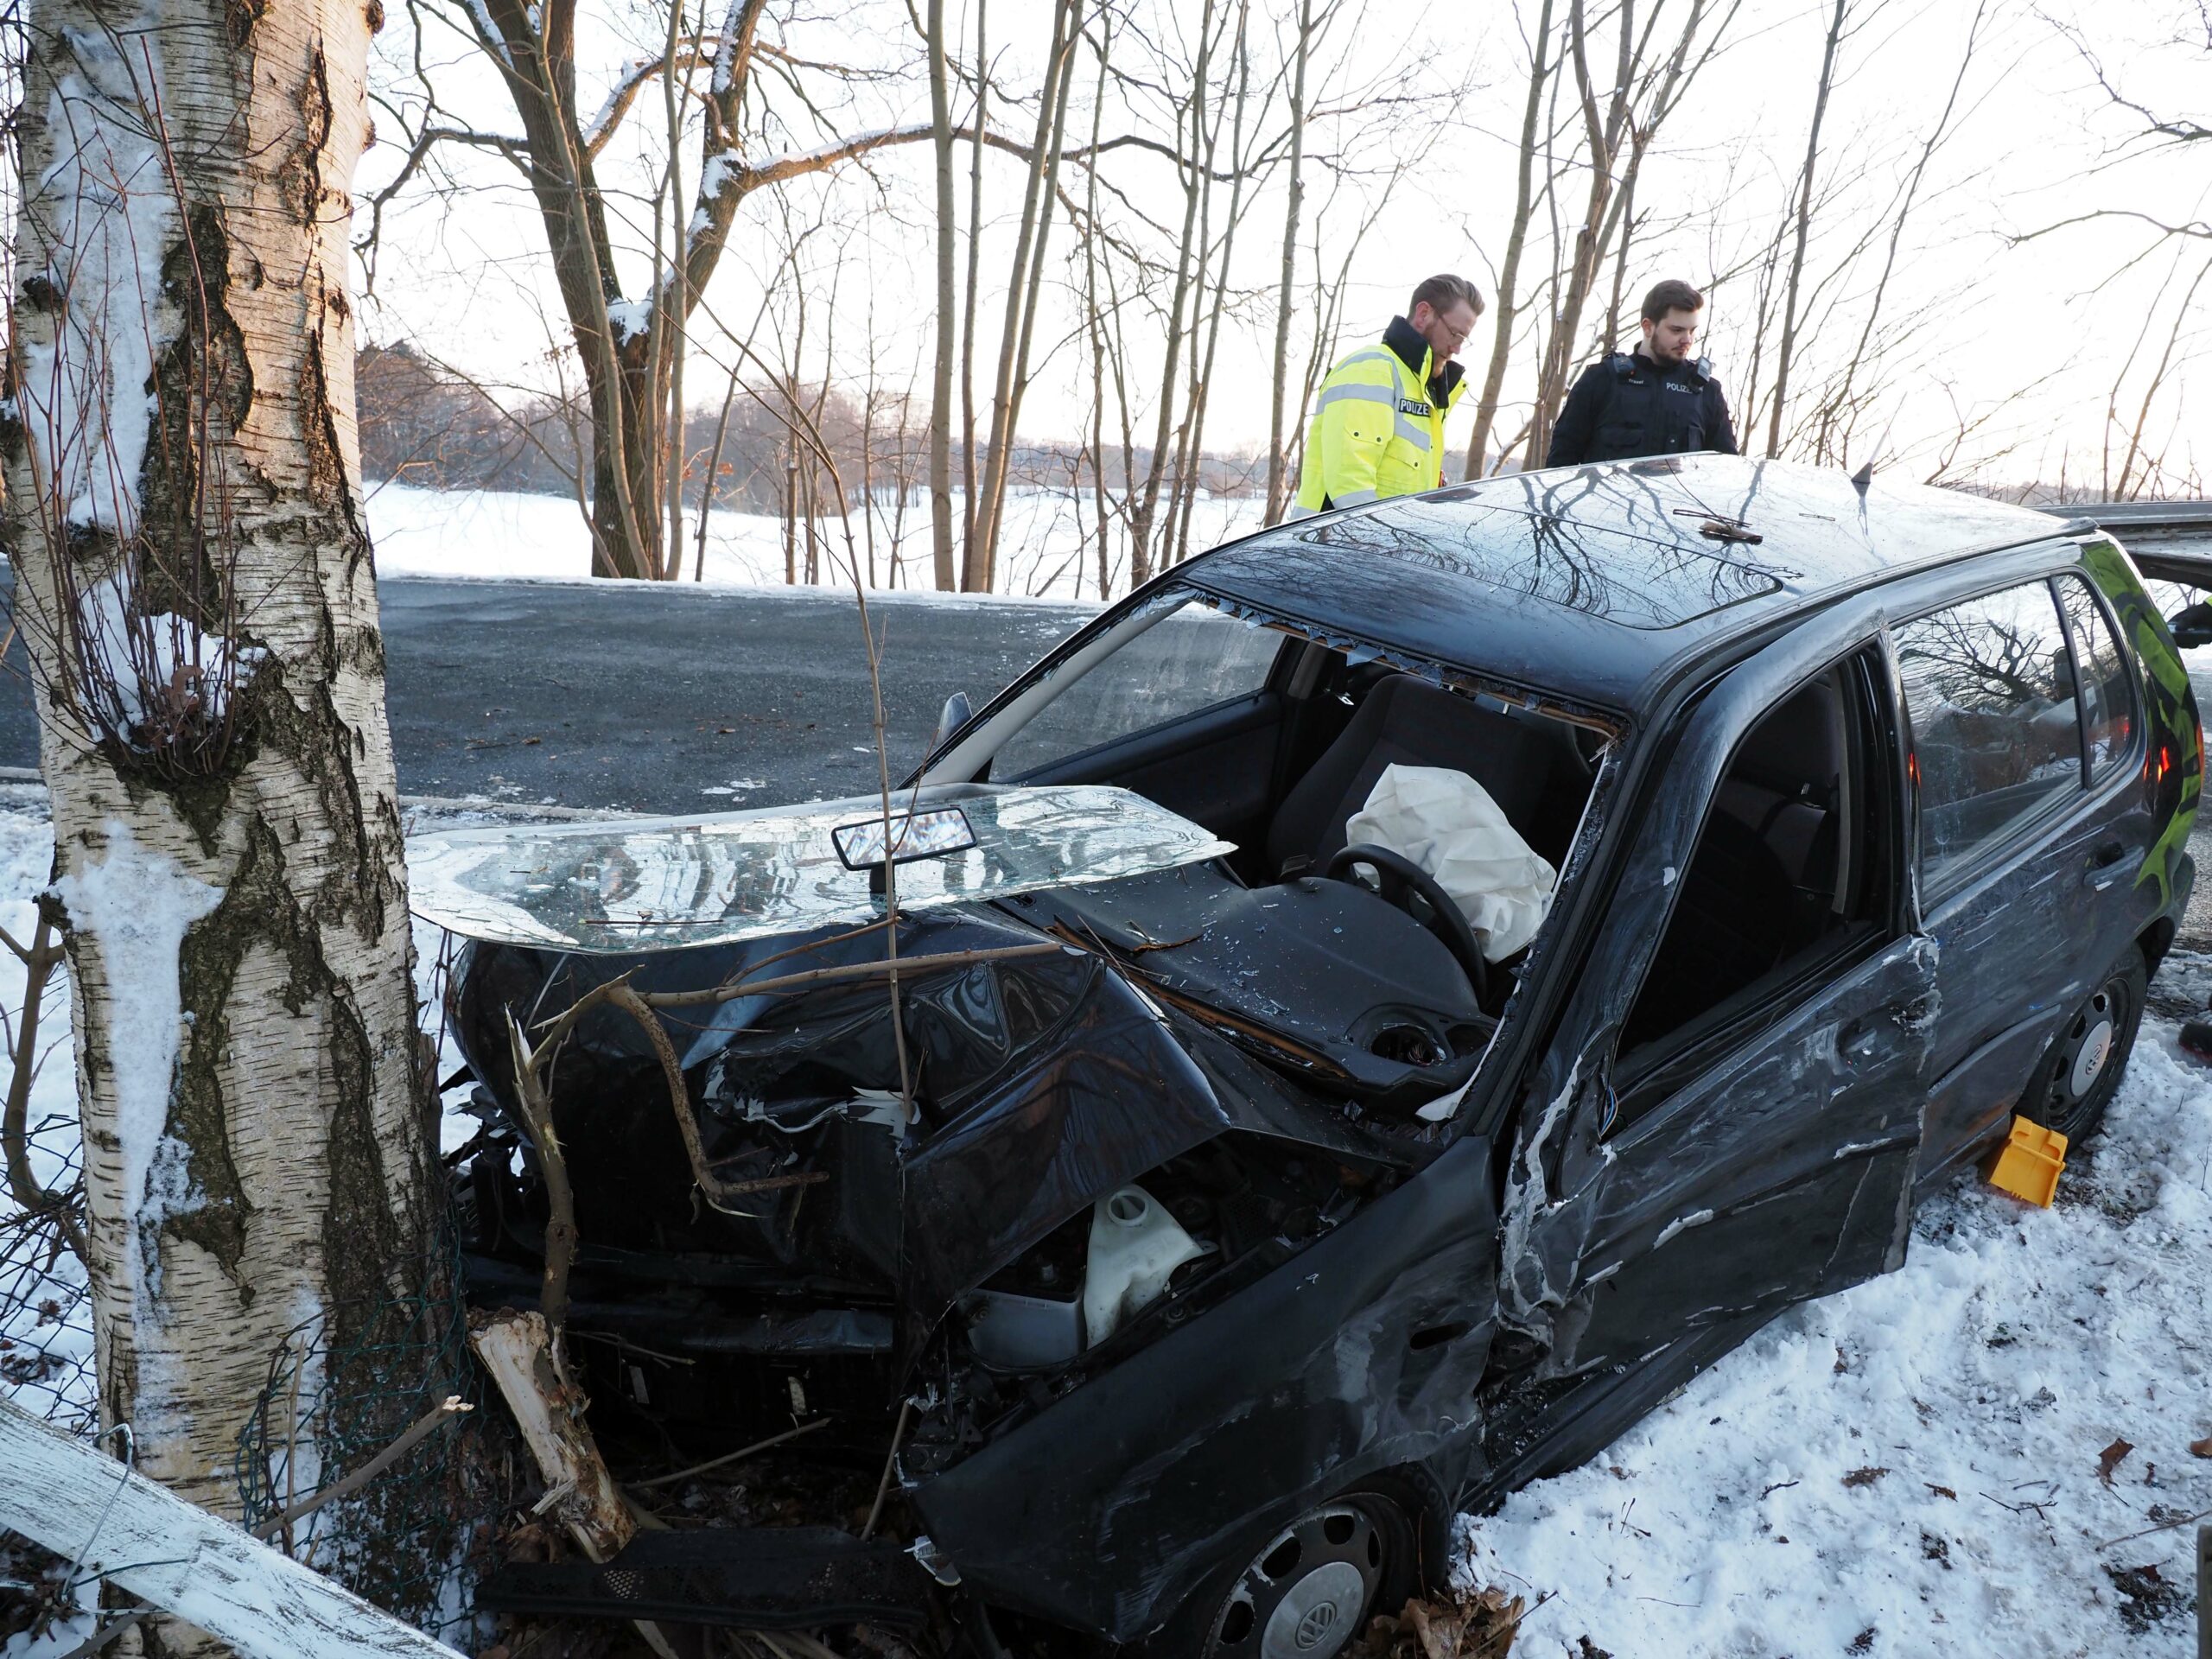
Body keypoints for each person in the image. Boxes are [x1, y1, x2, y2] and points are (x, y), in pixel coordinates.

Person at [1297, 274, 1483, 512]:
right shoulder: (1370, 370)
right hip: (1334, 545)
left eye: (1463, 339)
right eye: (1455, 334)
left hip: (1387, 545)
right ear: (1424, 314)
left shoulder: (1424, 391)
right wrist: (1392, 547)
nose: (1457, 348)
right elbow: (1351, 488)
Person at [1546, 278, 1738, 468]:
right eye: (1677, 330)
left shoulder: (1707, 391)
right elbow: (1559, 466)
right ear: (1647, 327)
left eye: (1692, 330)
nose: (1687, 339)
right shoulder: (1601, 380)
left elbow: (1725, 472)